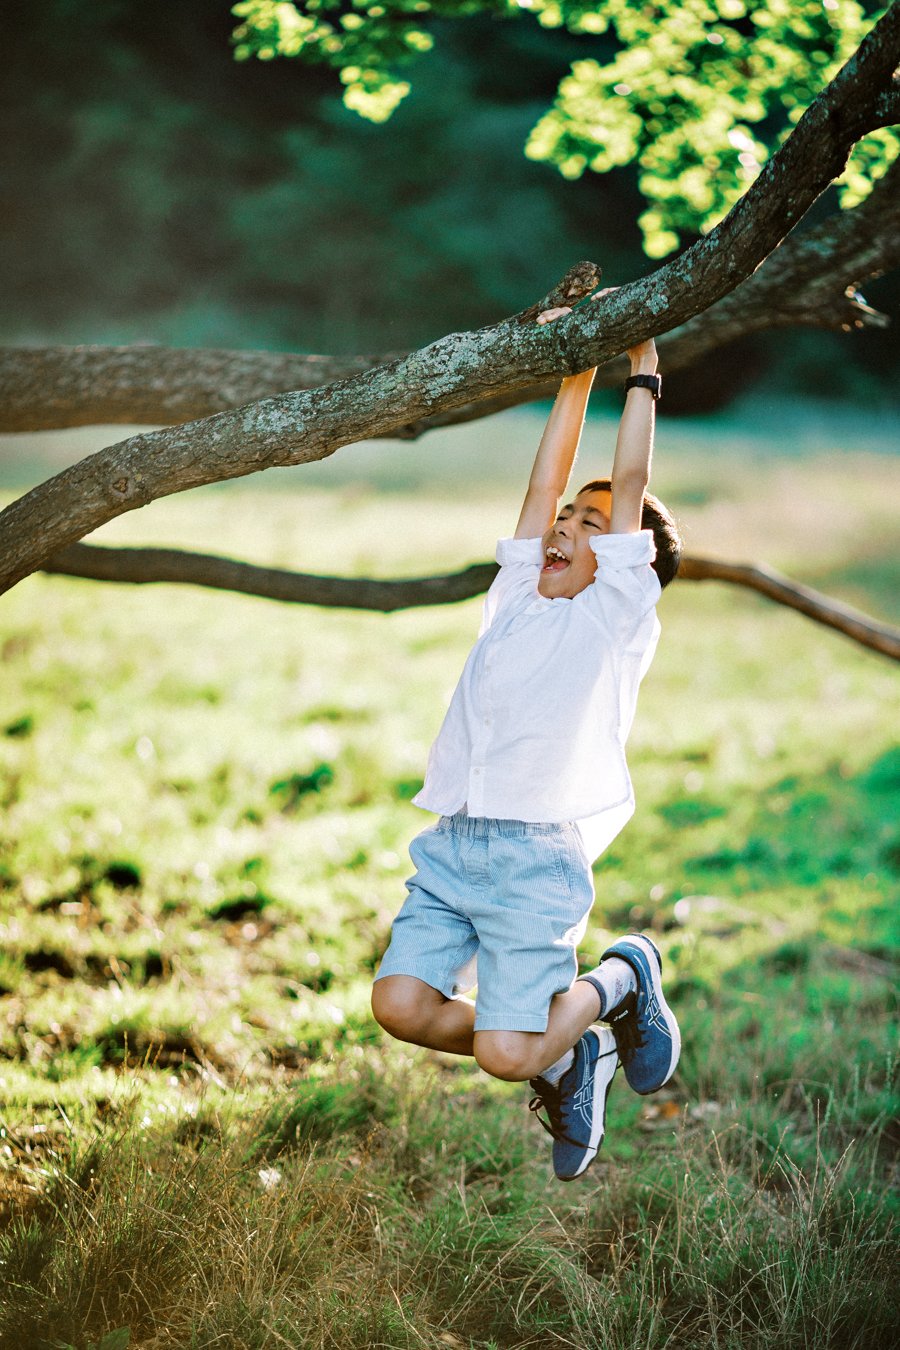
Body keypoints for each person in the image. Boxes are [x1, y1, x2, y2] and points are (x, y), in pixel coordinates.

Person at [372, 293, 683, 1180]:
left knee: (507, 1055)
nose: (566, 527)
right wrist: (575, 372)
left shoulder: (615, 617)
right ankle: (567, 1047)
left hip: (534, 857)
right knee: (401, 1004)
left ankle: (618, 981)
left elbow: (625, 491)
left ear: (627, 561)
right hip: (456, 841)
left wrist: (642, 369)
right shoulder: (514, 595)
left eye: (592, 527)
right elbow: (544, 485)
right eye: (564, 522)